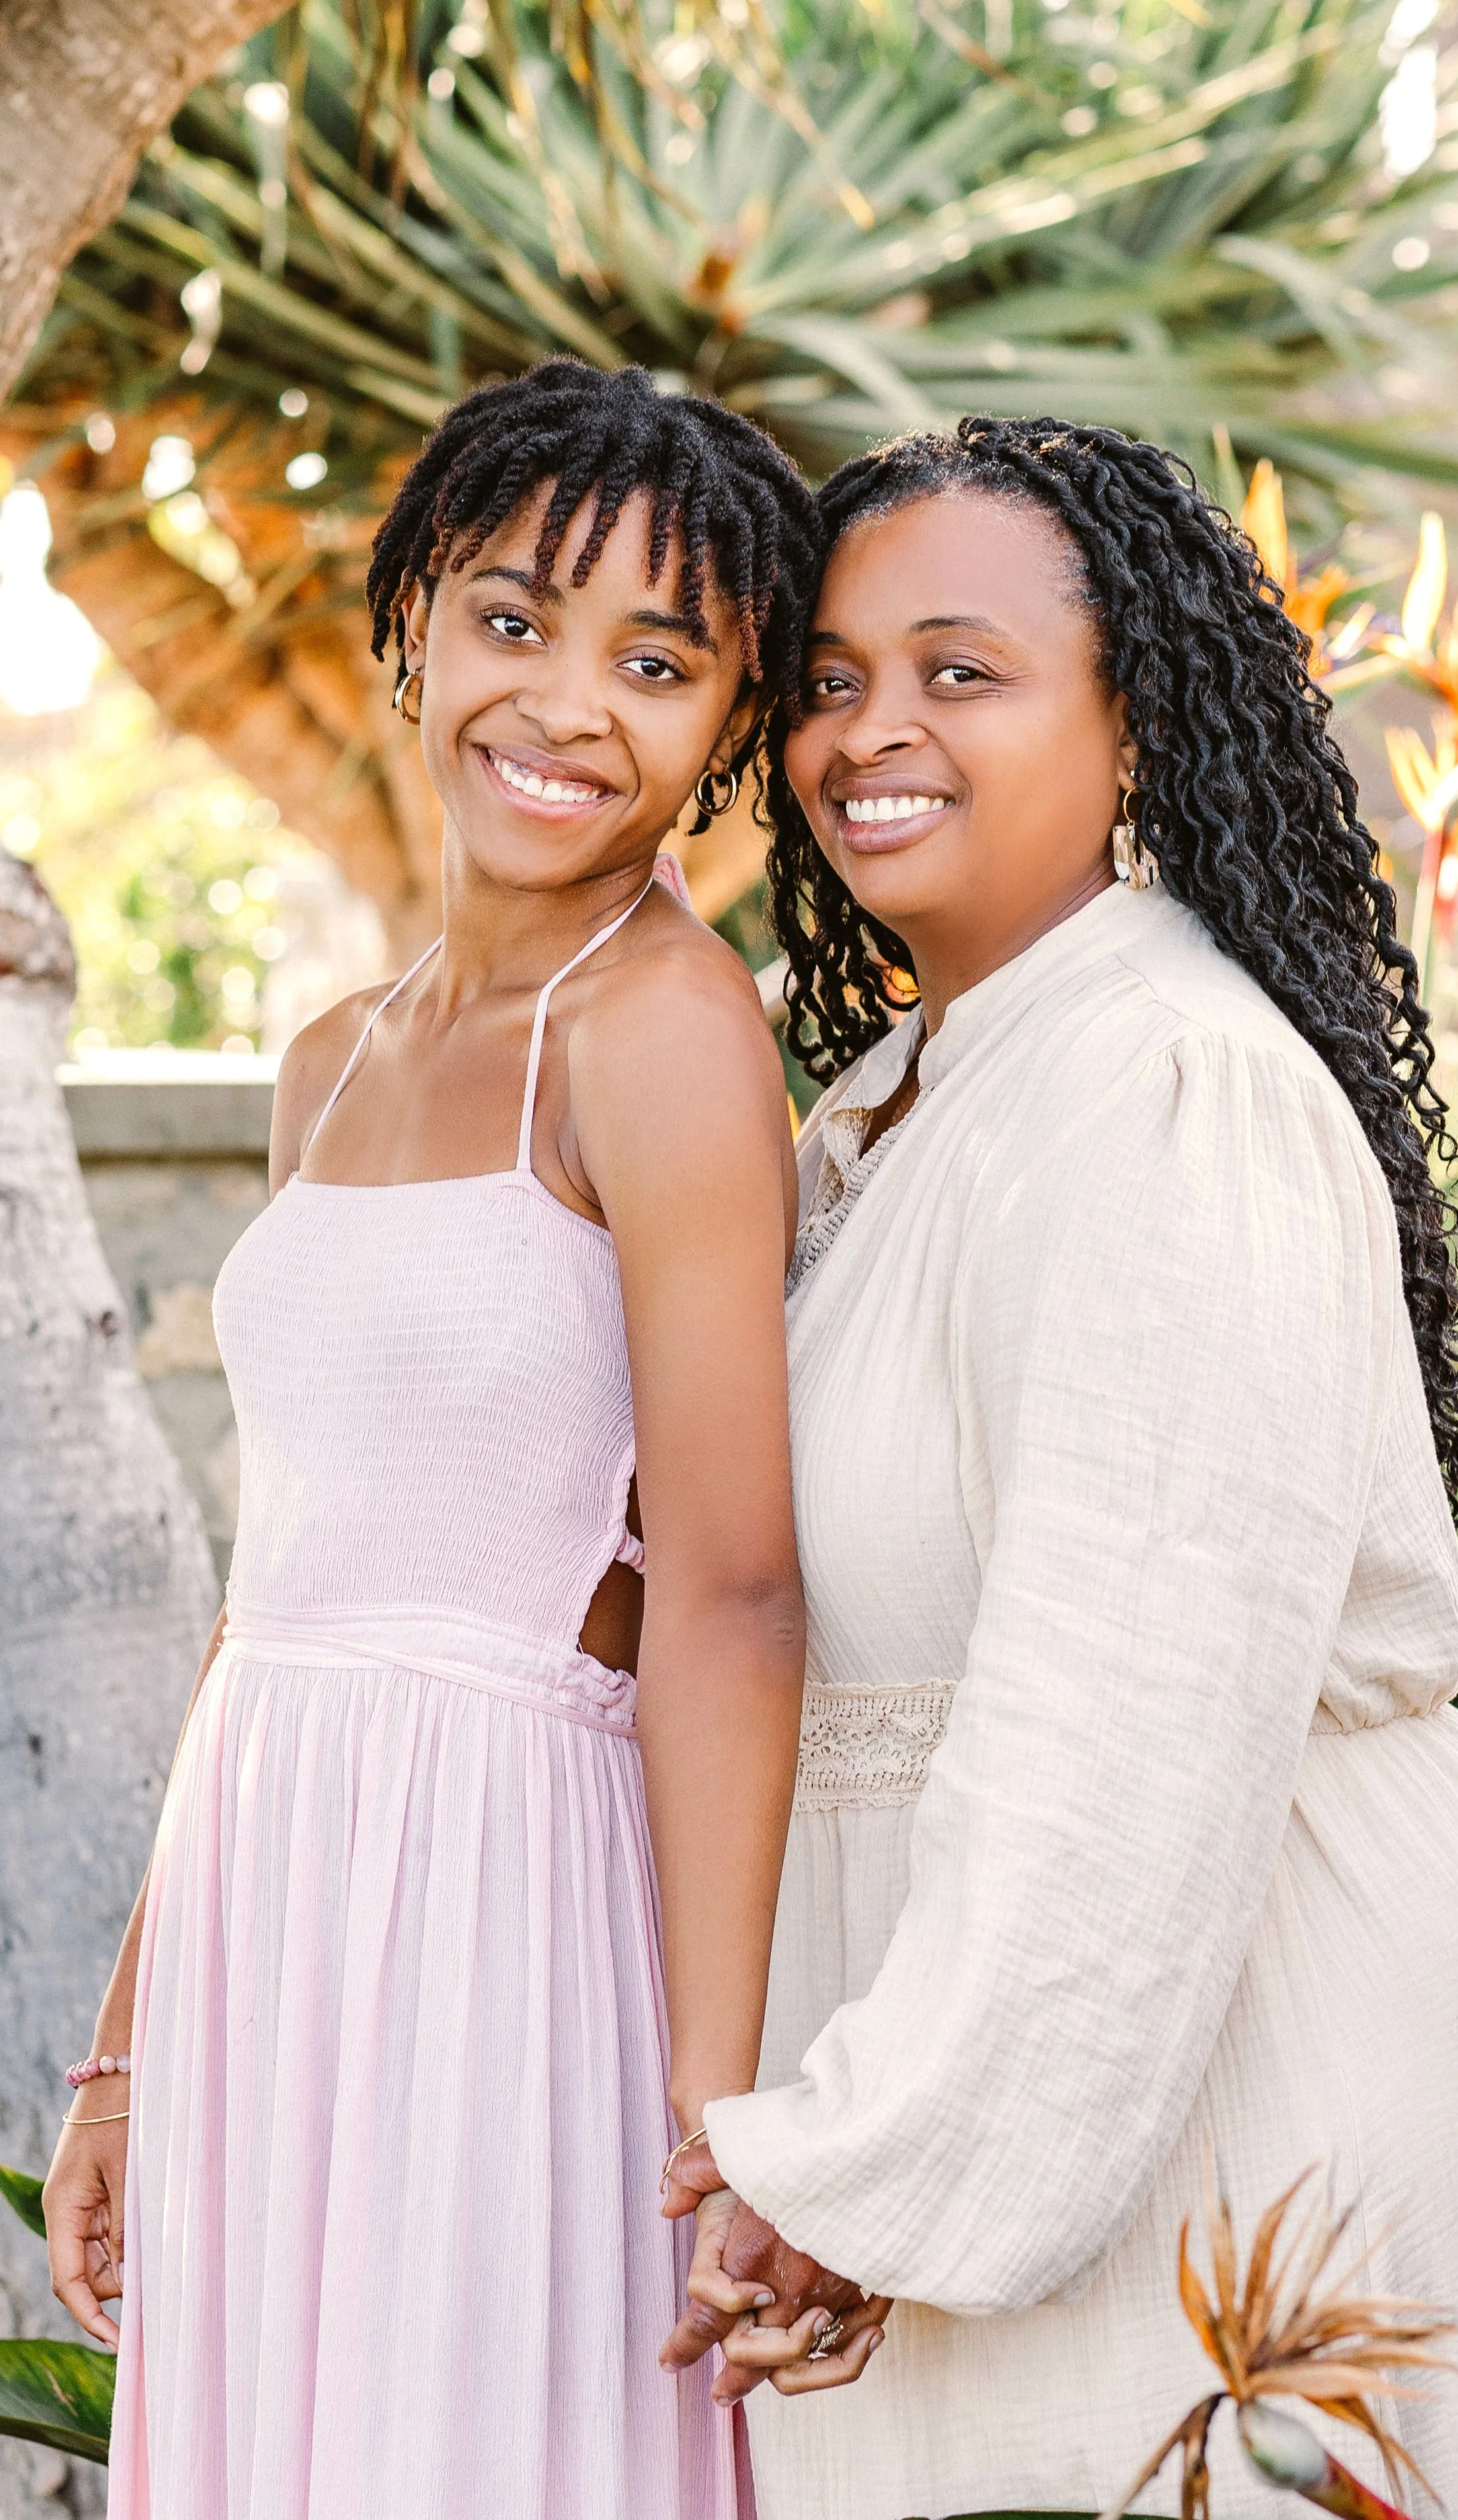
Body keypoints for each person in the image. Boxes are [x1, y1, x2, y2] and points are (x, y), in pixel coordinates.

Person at [661, 418, 1458, 2519]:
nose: (867, 733)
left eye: (961, 669)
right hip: (1033, 2064)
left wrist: (882, 2166)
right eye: (828, 679)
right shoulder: (913, 1096)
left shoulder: (1168, 1087)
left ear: (1137, 725)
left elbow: (1120, 1709)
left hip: (1255, 2072)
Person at [44, 360, 819, 2520]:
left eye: (655, 663)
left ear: (728, 726)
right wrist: (122, 2040)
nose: (565, 704)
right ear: (412, 628)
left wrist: (726, 2100)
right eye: (513, 620)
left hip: (503, 1904)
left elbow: (733, 1584)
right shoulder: (329, 1055)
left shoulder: (665, 1031)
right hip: (266, 1891)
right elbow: (272, 1590)